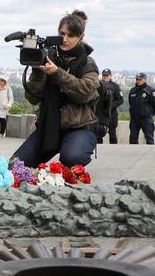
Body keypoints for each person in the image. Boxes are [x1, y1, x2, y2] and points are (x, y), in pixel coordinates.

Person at [11, 14, 99, 168]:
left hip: (78, 128)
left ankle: (75, 150)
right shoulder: (48, 58)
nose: (65, 39)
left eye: (71, 35)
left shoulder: (87, 62)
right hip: (49, 127)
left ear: (81, 37)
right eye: (62, 34)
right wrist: (38, 72)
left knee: (72, 158)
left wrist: (57, 73)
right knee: (15, 165)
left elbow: (86, 92)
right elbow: (33, 98)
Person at [95, 69, 123, 144]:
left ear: (110, 76)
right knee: (98, 135)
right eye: (104, 75)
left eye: (107, 75)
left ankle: (114, 151)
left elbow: (120, 100)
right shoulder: (98, 85)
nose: (105, 77)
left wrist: (110, 105)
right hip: (101, 115)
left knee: (112, 134)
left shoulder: (115, 86)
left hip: (112, 114)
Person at [128, 72, 155, 145]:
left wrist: (150, 113)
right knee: (133, 138)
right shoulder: (132, 91)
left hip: (146, 119)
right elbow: (130, 103)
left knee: (149, 138)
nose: (138, 81)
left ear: (145, 80)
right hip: (134, 119)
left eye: (140, 79)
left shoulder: (150, 91)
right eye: (137, 79)